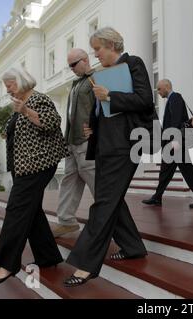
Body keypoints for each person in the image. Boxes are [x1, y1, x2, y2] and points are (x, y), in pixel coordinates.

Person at [64, 27, 152, 287]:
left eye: (98, 49)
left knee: (103, 203)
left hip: (126, 144)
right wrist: (94, 125)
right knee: (111, 199)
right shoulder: (100, 75)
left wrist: (110, 96)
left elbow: (145, 100)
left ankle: (85, 264)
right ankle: (133, 246)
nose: (95, 54)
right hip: (104, 144)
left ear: (112, 45)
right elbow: (105, 111)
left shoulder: (132, 63)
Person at [0, 67, 68, 285]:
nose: (7, 89)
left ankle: (7, 265)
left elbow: (51, 122)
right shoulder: (19, 105)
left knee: (16, 210)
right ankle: (48, 257)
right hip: (23, 167)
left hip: (38, 164)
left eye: (9, 84)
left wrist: (26, 112)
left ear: (20, 81)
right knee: (33, 212)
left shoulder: (38, 99)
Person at [142, 79, 193, 208]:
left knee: (187, 170)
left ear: (166, 87)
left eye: (159, 89)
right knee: (167, 171)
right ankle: (157, 197)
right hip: (171, 143)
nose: (158, 92)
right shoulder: (172, 100)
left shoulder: (176, 97)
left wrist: (176, 140)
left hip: (175, 143)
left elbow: (177, 120)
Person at [51, 48, 96, 238]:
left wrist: (96, 130)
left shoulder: (97, 78)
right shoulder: (76, 83)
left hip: (87, 142)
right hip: (71, 141)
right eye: (68, 65)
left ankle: (112, 222)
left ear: (85, 60)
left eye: (73, 64)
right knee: (69, 180)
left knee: (97, 183)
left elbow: (106, 108)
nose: (70, 69)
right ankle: (66, 221)